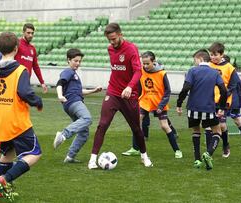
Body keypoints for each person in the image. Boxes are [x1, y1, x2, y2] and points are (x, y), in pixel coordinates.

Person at [0, 32, 43, 201]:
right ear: (16, 49)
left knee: (7, 154)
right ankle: (5, 179)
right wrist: (37, 101)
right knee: (35, 153)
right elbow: (25, 92)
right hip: (17, 122)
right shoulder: (20, 70)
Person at [0, 23, 48, 171]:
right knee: (13, 124)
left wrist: (42, 82)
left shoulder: (32, 49)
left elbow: (35, 66)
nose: (30, 35)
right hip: (11, 87)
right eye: (28, 32)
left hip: (22, 87)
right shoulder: (16, 46)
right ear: (23, 32)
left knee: (11, 126)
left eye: (32, 33)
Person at [87, 23, 153, 169]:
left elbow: (138, 71)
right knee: (102, 124)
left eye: (114, 39)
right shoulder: (110, 49)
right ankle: (92, 159)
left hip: (129, 95)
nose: (112, 42)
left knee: (136, 128)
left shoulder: (131, 49)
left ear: (120, 34)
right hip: (113, 92)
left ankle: (144, 156)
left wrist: (129, 87)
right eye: (109, 39)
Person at [121, 51, 182, 158]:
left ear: (153, 62)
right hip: (145, 101)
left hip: (159, 102)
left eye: (147, 63)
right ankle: (135, 148)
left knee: (164, 126)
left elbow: (168, 91)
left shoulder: (162, 73)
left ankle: (177, 150)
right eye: (143, 63)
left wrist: (161, 105)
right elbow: (139, 86)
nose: (145, 66)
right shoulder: (141, 71)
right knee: (136, 121)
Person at [176, 49, 227, 170]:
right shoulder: (215, 72)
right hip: (208, 108)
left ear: (200, 59)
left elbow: (185, 88)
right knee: (217, 131)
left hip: (192, 108)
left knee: (196, 131)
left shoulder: (192, 71)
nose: (194, 63)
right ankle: (208, 153)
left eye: (195, 60)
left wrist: (179, 103)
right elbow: (224, 91)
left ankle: (197, 160)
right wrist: (221, 107)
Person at [53, 48, 102, 163]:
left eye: (79, 61)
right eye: (75, 61)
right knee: (87, 118)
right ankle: (63, 134)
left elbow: (79, 91)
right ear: (68, 60)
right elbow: (59, 83)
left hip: (72, 103)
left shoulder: (74, 75)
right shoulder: (68, 71)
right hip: (73, 102)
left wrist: (93, 91)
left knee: (84, 133)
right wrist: (60, 95)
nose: (78, 63)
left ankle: (70, 157)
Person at [208, 42, 241, 159]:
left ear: (222, 54)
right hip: (209, 101)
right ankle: (210, 149)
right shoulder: (208, 65)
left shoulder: (229, 68)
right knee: (210, 126)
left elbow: (234, 85)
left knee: (223, 125)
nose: (213, 57)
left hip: (223, 102)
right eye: (211, 55)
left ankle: (225, 145)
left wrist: (223, 96)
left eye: (215, 55)